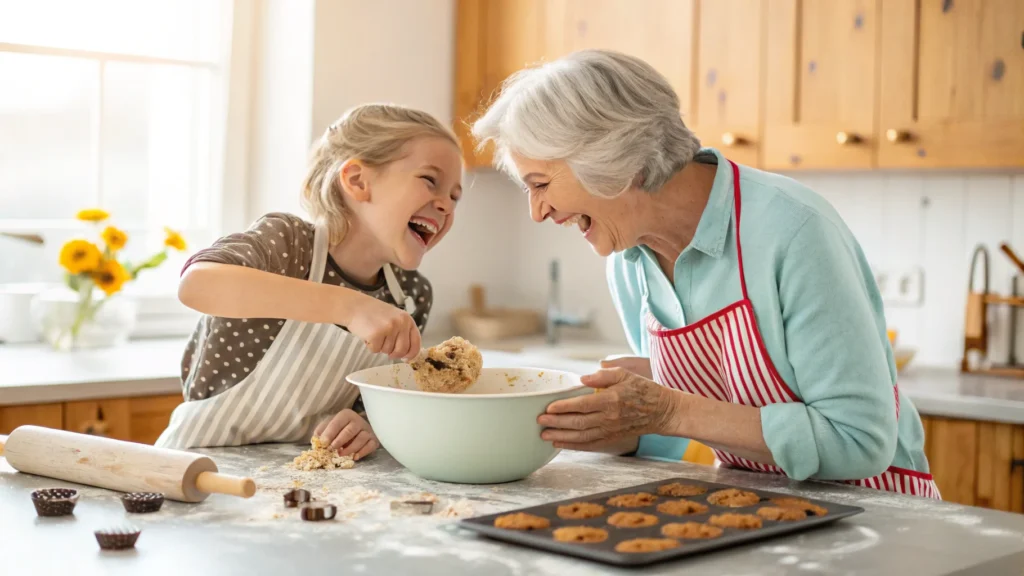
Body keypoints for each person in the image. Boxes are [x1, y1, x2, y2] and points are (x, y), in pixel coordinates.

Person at [472, 50, 939, 498]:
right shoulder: (629, 258)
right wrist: (600, 419)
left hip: (873, 513)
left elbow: (859, 441)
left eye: (540, 184)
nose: (537, 212)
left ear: (614, 158)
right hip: (752, 505)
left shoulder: (792, 230)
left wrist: (669, 406)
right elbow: (671, 433)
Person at [156, 104, 463, 459]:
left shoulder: (411, 295)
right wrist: (349, 306)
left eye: (455, 197)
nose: (446, 206)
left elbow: (379, 401)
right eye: (430, 180)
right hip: (198, 466)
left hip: (307, 478)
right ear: (357, 181)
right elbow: (197, 284)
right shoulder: (287, 245)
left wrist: (367, 426)